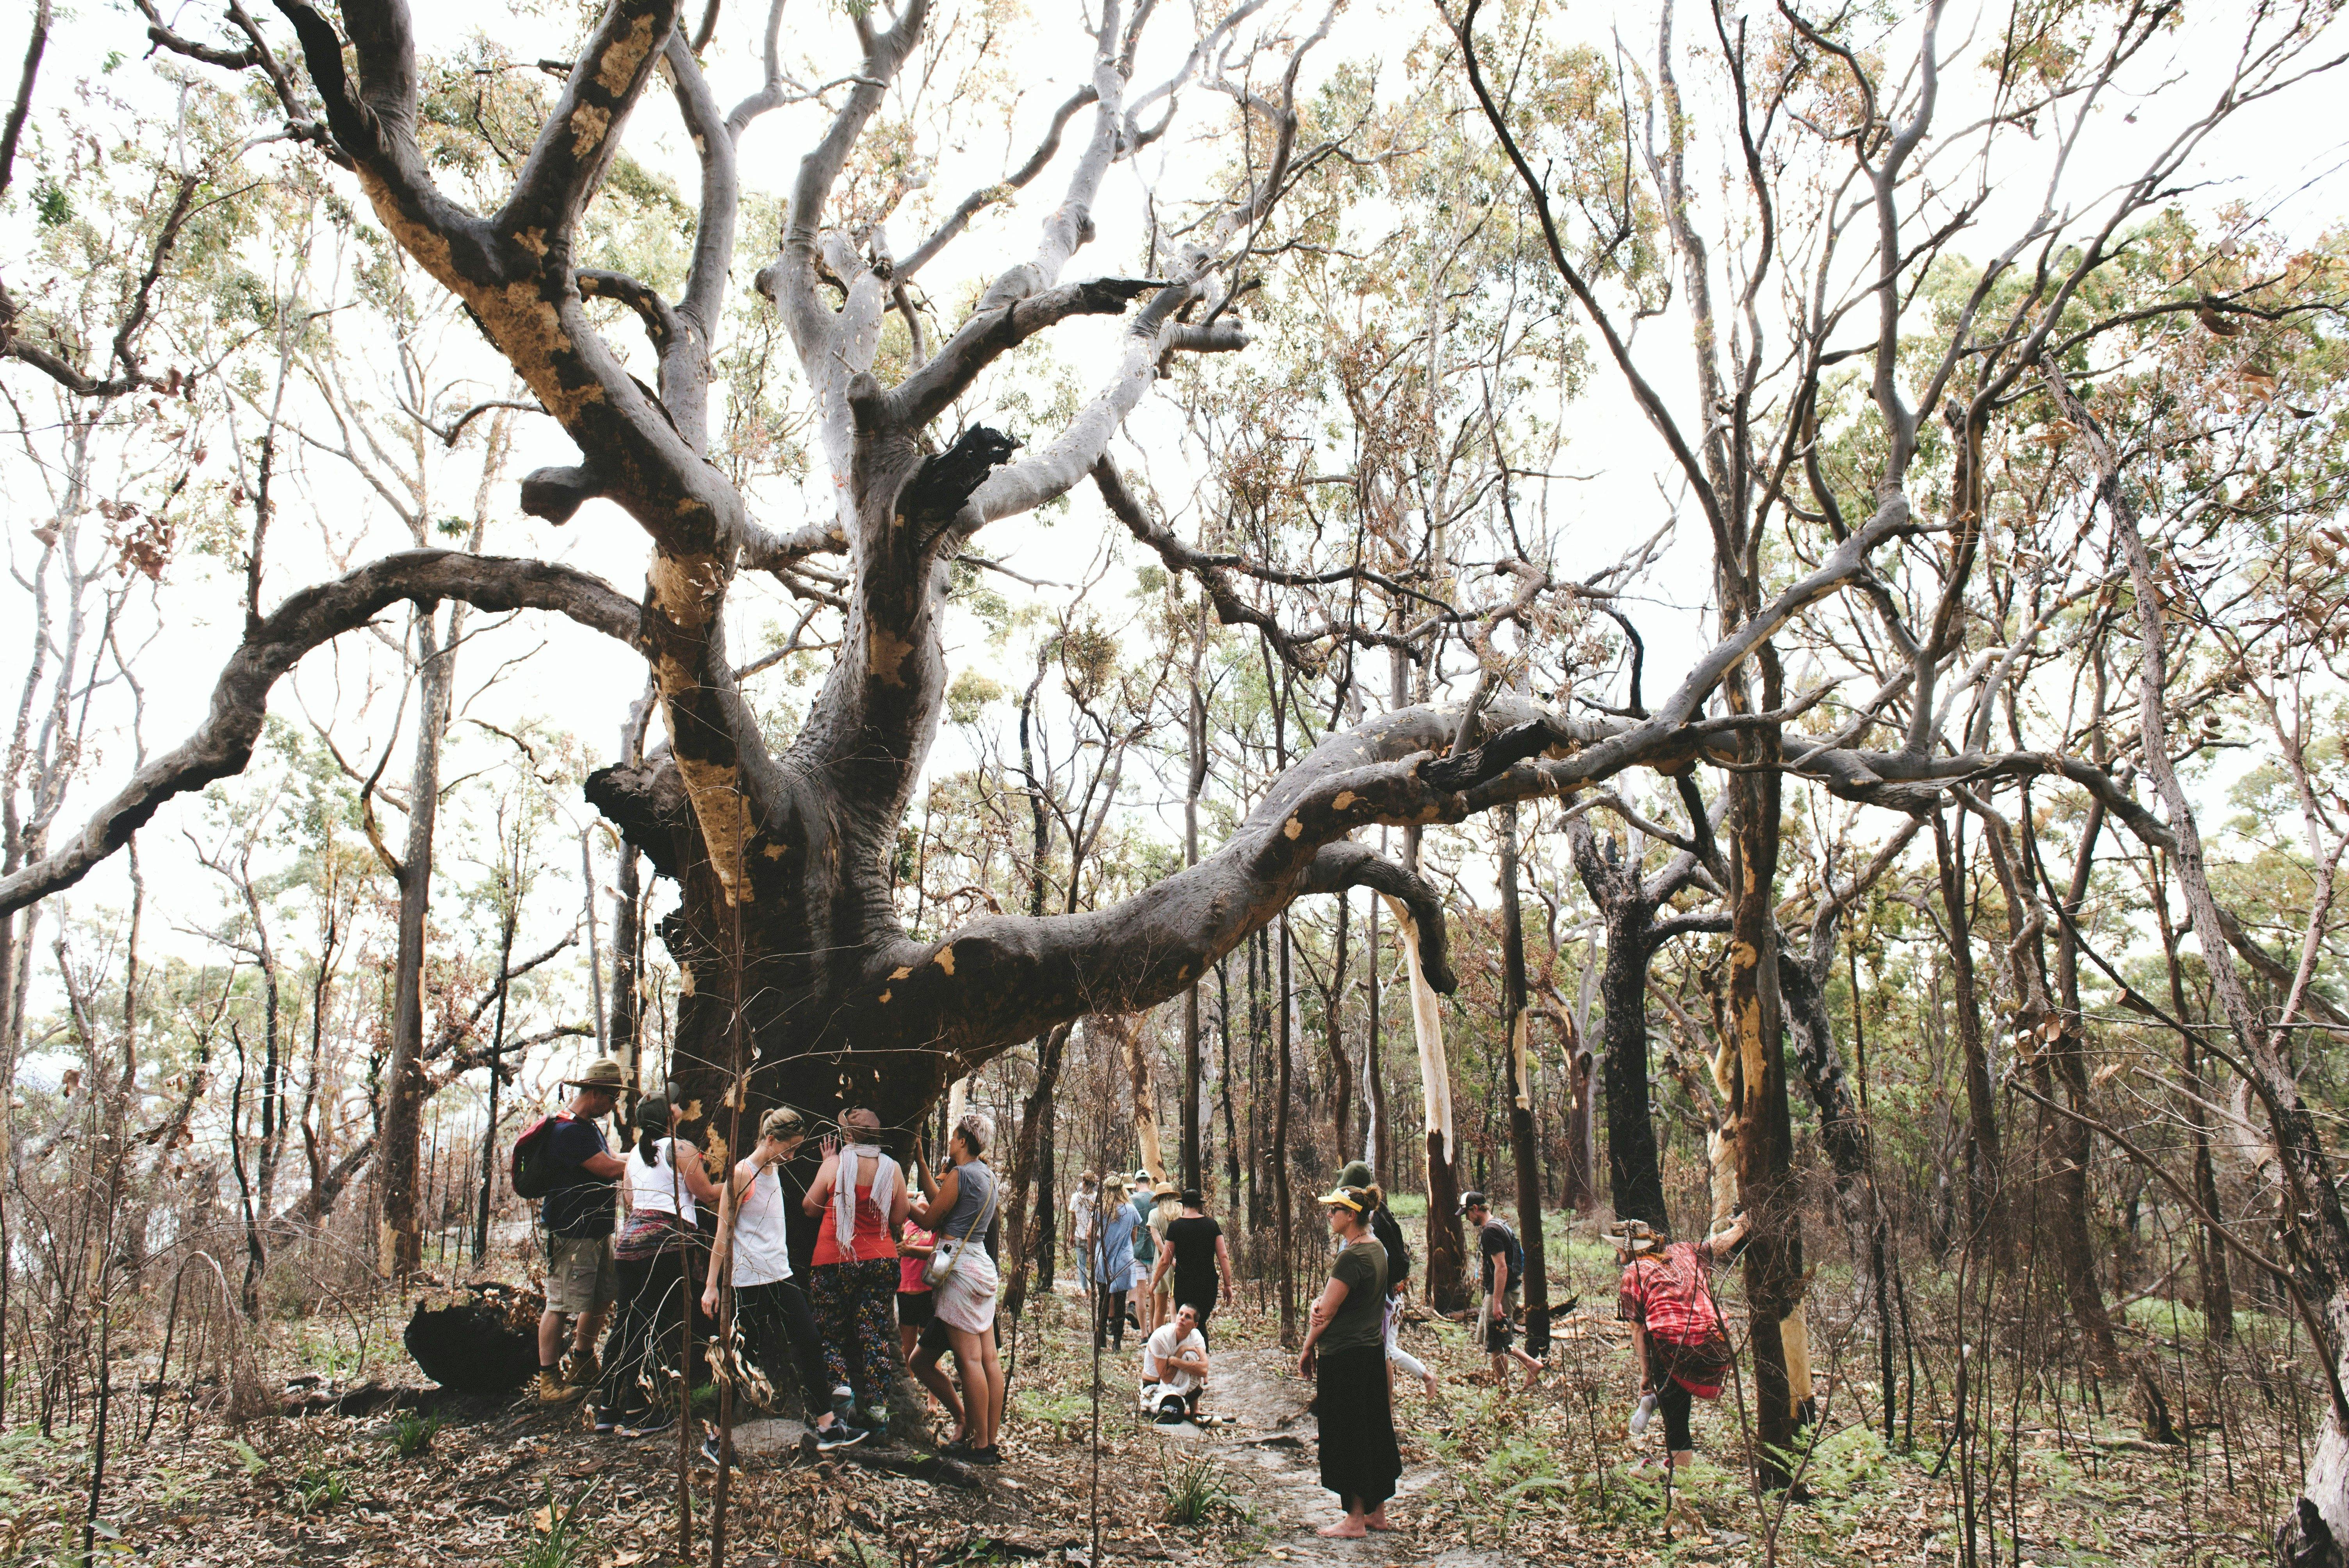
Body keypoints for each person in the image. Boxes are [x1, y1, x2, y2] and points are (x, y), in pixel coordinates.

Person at [698, 1107, 868, 1453]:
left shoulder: (773, 1167)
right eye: (789, 1148)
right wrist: (712, 1285)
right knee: (740, 1360)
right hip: (748, 1283)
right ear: (771, 1139)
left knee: (809, 1341)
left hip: (781, 1276)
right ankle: (716, 1437)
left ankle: (827, 1427)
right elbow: (722, 1233)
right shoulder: (743, 1174)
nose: (792, 1156)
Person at [594, 1094, 722, 1437]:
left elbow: (632, 1199)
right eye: (675, 1102)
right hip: (663, 1246)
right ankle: (635, 1407)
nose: (680, 1104)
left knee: (626, 1321)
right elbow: (708, 1193)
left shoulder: (634, 1155)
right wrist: (743, 1180)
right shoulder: (682, 1149)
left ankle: (607, 1407)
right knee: (648, 1323)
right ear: (671, 1115)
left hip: (630, 1244)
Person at [1297, 1180, 1402, 1539]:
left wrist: (1308, 1346)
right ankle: (1378, 1514)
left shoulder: (1352, 1256)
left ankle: (1355, 1519)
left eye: (1335, 1210)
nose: (1330, 1215)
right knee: (1373, 1430)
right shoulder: (1377, 1250)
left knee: (1349, 1433)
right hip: (1371, 1355)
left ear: (1352, 1215)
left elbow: (1326, 1311)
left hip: (1345, 1358)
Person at [801, 1108, 910, 1440]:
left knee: (831, 1334)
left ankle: (842, 1394)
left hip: (832, 1259)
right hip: (879, 1261)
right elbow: (900, 1218)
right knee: (872, 1334)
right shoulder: (892, 1170)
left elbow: (809, 1207)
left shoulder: (835, 1164)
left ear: (847, 1136)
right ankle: (877, 1413)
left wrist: (827, 1165)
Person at [1614, 1213, 1751, 1470]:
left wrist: (1646, 1376)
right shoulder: (1686, 1251)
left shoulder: (1633, 1273)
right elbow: (1718, 1244)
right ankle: (1673, 1464)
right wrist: (1742, 1228)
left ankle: (1682, 1486)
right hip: (1715, 1343)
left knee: (1676, 1421)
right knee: (1678, 1409)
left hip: (1675, 1348)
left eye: (1617, 1245)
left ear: (1627, 1247)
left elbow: (1639, 1331)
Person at [908, 1112, 1007, 1464]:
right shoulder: (987, 1176)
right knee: (989, 1359)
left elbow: (931, 1219)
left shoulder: (960, 1175)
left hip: (960, 1270)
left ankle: (981, 1446)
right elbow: (948, 1204)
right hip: (982, 1265)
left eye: (952, 1138)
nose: (950, 1143)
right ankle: (989, 1440)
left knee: (969, 1361)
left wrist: (902, 1202)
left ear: (964, 1140)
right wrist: (920, 1162)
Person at [535, 1058, 628, 1404]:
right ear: (594, 1092)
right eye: (611, 1096)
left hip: (597, 1230)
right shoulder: (568, 1131)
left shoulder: (587, 1127)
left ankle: (583, 1361)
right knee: (560, 1303)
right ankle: (549, 1380)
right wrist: (652, 1162)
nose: (614, 1104)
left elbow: (612, 1156)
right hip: (571, 1230)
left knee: (603, 1293)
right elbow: (606, 1168)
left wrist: (648, 1154)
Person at [1338, 1160, 1437, 1400]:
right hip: (1387, 1295)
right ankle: (1386, 1407)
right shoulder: (1379, 1211)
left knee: (1385, 1352)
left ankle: (1421, 1381)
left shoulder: (1373, 1222)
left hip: (1385, 1297)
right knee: (1383, 1353)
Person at [1461, 1191, 1542, 1390]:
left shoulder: (1490, 1232)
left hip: (1504, 1292)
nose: (1466, 1218)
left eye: (1467, 1213)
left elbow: (1502, 1267)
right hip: (1504, 1290)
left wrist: (1496, 1301)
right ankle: (1526, 1369)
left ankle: (1506, 1390)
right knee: (1494, 1339)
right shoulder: (1499, 1224)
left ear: (1475, 1210)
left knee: (1497, 1343)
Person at [1147, 1187, 1233, 1346]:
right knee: (1199, 1323)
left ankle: (1191, 1362)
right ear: (1200, 1205)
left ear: (1183, 1205)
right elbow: (1223, 1256)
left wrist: (1154, 1282)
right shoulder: (1212, 1225)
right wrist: (1228, 1285)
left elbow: (1166, 1260)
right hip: (1208, 1284)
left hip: (1184, 1284)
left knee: (1188, 1325)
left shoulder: (1175, 1227)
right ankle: (1201, 1361)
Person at [1092, 1174, 1140, 1351]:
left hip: (1102, 1259)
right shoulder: (1131, 1210)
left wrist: (1095, 1250)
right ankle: (1117, 1343)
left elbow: (1091, 1233)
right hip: (1123, 1260)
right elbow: (1134, 1237)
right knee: (1120, 1302)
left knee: (1103, 1301)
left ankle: (1101, 1340)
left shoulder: (1101, 1211)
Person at [1140, 1301, 1210, 1423]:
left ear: (1195, 1325)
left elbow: (1204, 1370)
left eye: (1188, 1317)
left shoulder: (1196, 1336)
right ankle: (1183, 1412)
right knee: (1169, 1410)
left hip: (1177, 1385)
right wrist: (1180, 1352)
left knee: (1192, 1356)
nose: (1182, 1318)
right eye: (1180, 1314)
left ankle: (1194, 1412)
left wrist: (1175, 1361)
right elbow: (1166, 1378)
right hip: (1154, 1386)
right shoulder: (1161, 1336)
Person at [897, 1213, 938, 1365]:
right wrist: (916, 1193)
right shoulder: (907, 1221)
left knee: (929, 1348)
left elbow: (939, 1252)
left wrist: (910, 1250)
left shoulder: (937, 1225)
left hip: (928, 1292)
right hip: (905, 1292)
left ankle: (933, 1389)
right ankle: (910, 1386)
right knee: (907, 1347)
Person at [1130, 1177, 1161, 1335]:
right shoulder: (1156, 1199)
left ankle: (1143, 1334)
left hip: (1138, 1253)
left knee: (1141, 1294)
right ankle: (1152, 1330)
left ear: (1136, 1183)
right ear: (1149, 1182)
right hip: (1156, 1253)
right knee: (1154, 1292)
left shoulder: (1132, 1200)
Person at [1068, 1172, 1100, 1292]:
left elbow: (1073, 1219)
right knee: (1094, 1263)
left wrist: (1071, 1235)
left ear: (1084, 1182)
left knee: (1081, 1264)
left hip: (1080, 1235)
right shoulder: (1097, 1197)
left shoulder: (1075, 1197)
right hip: (1093, 1235)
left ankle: (1084, 1289)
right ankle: (1093, 1288)